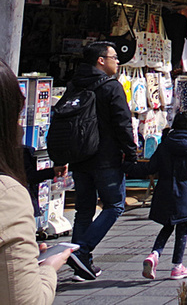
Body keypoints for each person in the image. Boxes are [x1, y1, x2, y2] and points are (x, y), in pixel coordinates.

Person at [65, 41, 138, 280]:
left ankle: (80, 263)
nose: (117, 61)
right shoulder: (111, 87)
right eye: (114, 57)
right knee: (114, 206)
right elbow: (123, 123)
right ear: (100, 60)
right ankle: (82, 251)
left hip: (79, 157)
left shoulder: (74, 85)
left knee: (83, 210)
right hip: (106, 158)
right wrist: (131, 151)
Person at [1, 59, 71, 304]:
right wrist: (48, 268)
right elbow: (26, 300)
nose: (21, 129)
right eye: (17, 118)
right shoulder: (7, 196)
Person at [132, 110, 187, 281]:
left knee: (168, 225)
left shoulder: (165, 144)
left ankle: (155, 254)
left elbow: (150, 168)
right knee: (182, 229)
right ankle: (177, 266)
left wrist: (126, 167)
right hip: (186, 193)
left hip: (165, 190)